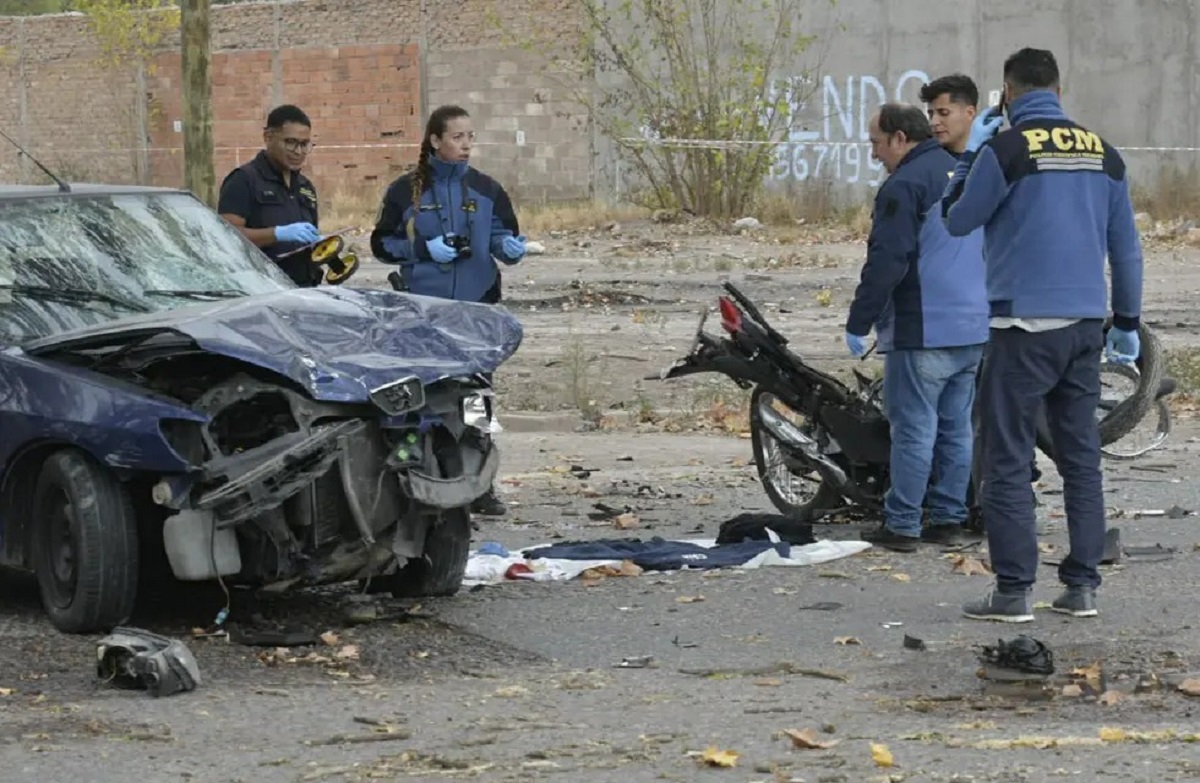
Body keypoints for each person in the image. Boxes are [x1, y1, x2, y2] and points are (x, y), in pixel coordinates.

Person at [942, 47, 1143, 622]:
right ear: (1059, 89)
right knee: (1080, 459)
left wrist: (970, 155)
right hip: (1084, 329)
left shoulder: (1005, 149)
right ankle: (1081, 588)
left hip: (1020, 327)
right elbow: (1125, 250)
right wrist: (1125, 323)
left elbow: (957, 218)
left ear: (1007, 94)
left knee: (1004, 459)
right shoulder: (1104, 153)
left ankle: (1012, 592)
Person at [844, 103, 989, 553]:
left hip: (922, 327)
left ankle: (903, 523)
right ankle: (948, 519)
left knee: (913, 429)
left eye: (876, 143)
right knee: (956, 428)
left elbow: (888, 260)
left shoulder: (904, 185)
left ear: (900, 139)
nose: (874, 154)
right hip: (972, 327)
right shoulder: (964, 173)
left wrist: (859, 320)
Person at [370, 104, 527, 517]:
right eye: (457, 137)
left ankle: (480, 485)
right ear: (435, 141)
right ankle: (416, 481)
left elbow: (504, 237)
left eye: (470, 137)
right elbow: (381, 245)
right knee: (422, 398)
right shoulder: (406, 192)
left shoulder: (488, 189)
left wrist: (509, 249)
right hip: (423, 313)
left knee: (476, 399)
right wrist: (424, 250)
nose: (466, 145)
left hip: (476, 313)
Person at [218, 104, 323, 286]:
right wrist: (277, 234)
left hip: (304, 290)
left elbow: (307, 246)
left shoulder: (305, 187)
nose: (298, 152)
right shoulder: (243, 180)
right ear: (268, 137)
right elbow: (226, 237)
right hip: (262, 291)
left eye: (304, 144)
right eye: (290, 142)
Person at [920, 74, 979, 158]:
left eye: (944, 113)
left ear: (970, 113)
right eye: (931, 114)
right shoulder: (924, 160)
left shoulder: (994, 157)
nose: (933, 122)